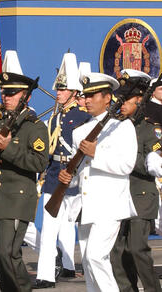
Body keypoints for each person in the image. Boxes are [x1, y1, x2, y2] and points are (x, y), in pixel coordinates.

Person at [58, 72, 138, 291]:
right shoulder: (79, 132)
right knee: (87, 261)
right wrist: (68, 176)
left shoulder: (123, 127)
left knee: (96, 257)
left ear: (108, 98)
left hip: (110, 205)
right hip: (86, 206)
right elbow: (80, 170)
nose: (88, 100)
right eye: (86, 95)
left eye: (94, 95)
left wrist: (96, 153)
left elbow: (126, 166)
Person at [0, 71, 49, 292]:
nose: (6, 97)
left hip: (18, 197)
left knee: (8, 252)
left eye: (12, 93)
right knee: (2, 257)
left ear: (26, 97)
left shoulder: (34, 126)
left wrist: (8, 147)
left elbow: (39, 163)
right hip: (0, 197)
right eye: (4, 92)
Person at [34, 53, 91, 289]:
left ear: (74, 92)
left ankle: (91, 270)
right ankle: (45, 275)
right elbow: (49, 148)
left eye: (63, 89)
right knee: (49, 229)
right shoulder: (54, 117)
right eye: (58, 88)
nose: (58, 92)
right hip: (55, 174)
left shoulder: (84, 117)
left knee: (85, 229)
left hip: (77, 176)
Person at [110, 69, 162, 291]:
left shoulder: (149, 129)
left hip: (141, 194)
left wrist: (128, 159)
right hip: (120, 195)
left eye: (126, 99)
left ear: (139, 99)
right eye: (119, 98)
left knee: (137, 248)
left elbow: (154, 167)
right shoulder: (114, 126)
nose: (121, 103)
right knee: (117, 252)